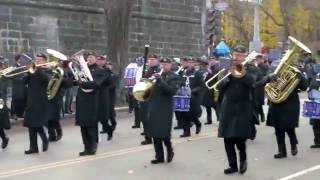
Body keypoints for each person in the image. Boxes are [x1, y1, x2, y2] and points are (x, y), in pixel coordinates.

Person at [217, 45, 257, 174]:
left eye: (240, 55)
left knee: (240, 138)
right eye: (236, 55)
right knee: (227, 138)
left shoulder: (250, 68)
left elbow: (252, 83)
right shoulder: (227, 68)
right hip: (228, 106)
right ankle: (232, 165)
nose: (237, 57)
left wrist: (241, 70)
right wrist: (227, 79)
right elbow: (219, 86)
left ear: (245, 56)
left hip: (243, 107)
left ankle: (243, 161)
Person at [146, 57, 181, 164]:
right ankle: (159, 156)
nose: (163, 66)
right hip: (154, 105)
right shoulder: (155, 75)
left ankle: (169, 150)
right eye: (162, 64)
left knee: (164, 132)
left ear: (170, 65)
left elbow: (172, 91)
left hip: (165, 107)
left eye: (166, 64)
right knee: (154, 132)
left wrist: (160, 80)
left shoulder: (174, 77)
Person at [75, 52, 105, 156]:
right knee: (83, 125)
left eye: (91, 57)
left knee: (91, 124)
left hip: (92, 100)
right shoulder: (82, 69)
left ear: (96, 59)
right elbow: (75, 81)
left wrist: (83, 83)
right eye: (88, 57)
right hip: (82, 99)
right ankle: (86, 147)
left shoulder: (100, 70)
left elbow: (97, 84)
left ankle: (93, 145)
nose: (89, 59)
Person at [23, 53, 50, 154]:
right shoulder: (32, 71)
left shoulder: (47, 70)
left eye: (40, 59)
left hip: (41, 102)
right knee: (31, 124)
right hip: (31, 100)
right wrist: (28, 72)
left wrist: (37, 70)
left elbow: (47, 80)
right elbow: (24, 81)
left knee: (36, 123)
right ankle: (33, 147)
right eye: (36, 59)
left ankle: (44, 139)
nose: (37, 61)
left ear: (44, 61)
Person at [47, 61, 73, 142]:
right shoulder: (48, 71)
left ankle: (59, 131)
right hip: (46, 96)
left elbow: (68, 84)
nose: (57, 64)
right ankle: (51, 135)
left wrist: (61, 77)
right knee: (47, 117)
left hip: (57, 96)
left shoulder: (63, 72)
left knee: (54, 117)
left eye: (59, 62)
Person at [140, 54, 161, 145]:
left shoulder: (159, 70)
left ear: (157, 60)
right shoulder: (147, 69)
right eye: (150, 59)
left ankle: (154, 136)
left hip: (154, 97)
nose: (151, 61)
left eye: (153, 59)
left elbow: (157, 83)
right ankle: (147, 137)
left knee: (152, 118)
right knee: (144, 117)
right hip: (146, 95)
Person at [180, 57, 203, 137]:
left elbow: (201, 86)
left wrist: (192, 91)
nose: (190, 64)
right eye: (189, 62)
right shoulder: (183, 71)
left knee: (192, 114)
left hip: (193, 96)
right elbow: (181, 82)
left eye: (191, 62)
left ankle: (198, 123)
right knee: (183, 113)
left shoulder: (198, 73)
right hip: (183, 95)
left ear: (194, 63)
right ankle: (186, 132)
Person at [202, 55, 220, 124]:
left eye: (213, 60)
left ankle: (219, 118)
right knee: (207, 105)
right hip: (207, 88)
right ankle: (209, 120)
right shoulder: (209, 67)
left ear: (215, 60)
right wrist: (205, 74)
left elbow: (217, 77)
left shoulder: (217, 67)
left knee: (215, 105)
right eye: (211, 60)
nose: (211, 61)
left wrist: (210, 72)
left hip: (214, 88)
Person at [11, 54, 28, 120]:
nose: (22, 60)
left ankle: (21, 113)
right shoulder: (13, 66)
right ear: (18, 59)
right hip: (16, 85)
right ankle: (13, 114)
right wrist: (17, 78)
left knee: (23, 100)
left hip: (22, 85)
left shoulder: (23, 66)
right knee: (15, 100)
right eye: (21, 58)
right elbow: (11, 75)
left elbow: (25, 73)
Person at [308, 73, 320, 148]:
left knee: (315, 125)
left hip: (315, 103)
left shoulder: (314, 78)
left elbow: (310, 95)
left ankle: (317, 142)